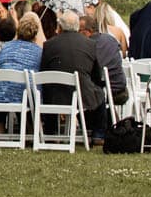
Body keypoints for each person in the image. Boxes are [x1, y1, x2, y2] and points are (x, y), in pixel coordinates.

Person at [39, 10, 109, 143]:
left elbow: (44, 71)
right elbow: (96, 74)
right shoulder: (90, 44)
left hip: (56, 96)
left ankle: (50, 130)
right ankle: (98, 134)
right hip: (82, 95)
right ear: (77, 26)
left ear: (60, 27)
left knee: (48, 89)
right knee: (99, 93)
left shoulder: (49, 44)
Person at [80, 13, 129, 110]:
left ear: (86, 32)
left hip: (107, 91)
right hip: (120, 89)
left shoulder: (88, 45)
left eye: (78, 31)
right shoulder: (110, 39)